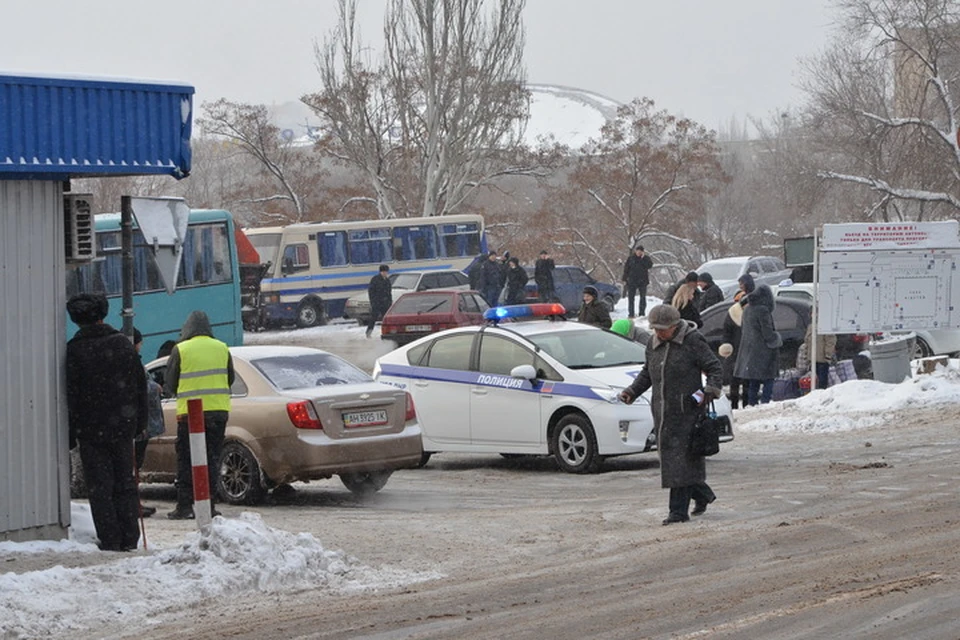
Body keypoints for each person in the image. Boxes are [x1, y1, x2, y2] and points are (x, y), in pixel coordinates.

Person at [618, 304, 724, 525]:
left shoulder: (693, 341)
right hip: (662, 412)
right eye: (655, 329)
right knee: (675, 461)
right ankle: (702, 494)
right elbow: (647, 373)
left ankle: (677, 512)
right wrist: (631, 391)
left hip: (688, 413)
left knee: (679, 461)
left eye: (662, 329)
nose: (658, 333)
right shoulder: (652, 344)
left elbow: (714, 368)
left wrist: (708, 392)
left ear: (675, 326)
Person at [65, 293, 147, 551]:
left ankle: (110, 538)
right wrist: (140, 423)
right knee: (125, 481)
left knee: (100, 487)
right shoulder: (122, 344)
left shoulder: (75, 350)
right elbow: (140, 387)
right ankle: (130, 536)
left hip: (90, 431)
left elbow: (72, 395)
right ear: (103, 315)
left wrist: (71, 432)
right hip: (123, 427)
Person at [164, 311, 235, 520]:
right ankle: (209, 505)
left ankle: (185, 506)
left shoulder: (181, 349)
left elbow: (170, 383)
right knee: (211, 459)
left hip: (190, 414)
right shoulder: (222, 348)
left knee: (187, 460)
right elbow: (229, 378)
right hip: (218, 412)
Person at [133, 328, 165, 518]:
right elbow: (140, 388)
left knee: (135, 466)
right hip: (138, 424)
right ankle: (134, 503)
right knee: (134, 466)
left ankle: (134, 502)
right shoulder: (133, 362)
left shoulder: (132, 361)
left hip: (135, 423)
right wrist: (155, 387)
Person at [733, 283, 782, 405]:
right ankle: (765, 402)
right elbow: (768, 333)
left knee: (754, 380)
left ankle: (752, 403)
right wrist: (777, 339)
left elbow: (744, 329)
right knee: (768, 378)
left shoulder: (748, 309)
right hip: (764, 350)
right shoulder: (763, 310)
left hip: (750, 349)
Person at [719, 297, 748, 410]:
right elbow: (726, 333)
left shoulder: (749, 314)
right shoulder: (733, 314)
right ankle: (734, 404)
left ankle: (746, 404)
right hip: (734, 350)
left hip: (744, 350)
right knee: (735, 379)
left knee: (746, 380)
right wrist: (726, 345)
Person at [800, 313, 837, 390]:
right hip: (812, 359)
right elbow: (807, 341)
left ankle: (821, 391)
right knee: (814, 378)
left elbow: (830, 342)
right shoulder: (811, 326)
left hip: (822, 358)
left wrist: (828, 354)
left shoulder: (825, 326)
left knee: (822, 380)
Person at [621, 245, 654, 318]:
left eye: (640, 251)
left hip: (643, 281)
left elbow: (649, 266)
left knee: (643, 298)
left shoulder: (646, 258)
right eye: (638, 251)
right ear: (635, 251)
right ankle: (631, 314)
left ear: (642, 252)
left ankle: (641, 313)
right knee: (631, 298)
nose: (639, 252)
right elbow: (626, 269)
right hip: (632, 280)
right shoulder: (631, 258)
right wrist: (624, 279)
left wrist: (643, 259)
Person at [366, 264, 393, 337]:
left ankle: (386, 332)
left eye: (386, 272)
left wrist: (390, 302)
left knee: (385, 319)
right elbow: (371, 292)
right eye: (384, 272)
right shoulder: (375, 279)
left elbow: (389, 292)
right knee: (373, 318)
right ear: (381, 272)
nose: (385, 273)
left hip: (385, 303)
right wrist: (373, 302)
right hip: (377, 302)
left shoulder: (387, 280)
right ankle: (369, 332)